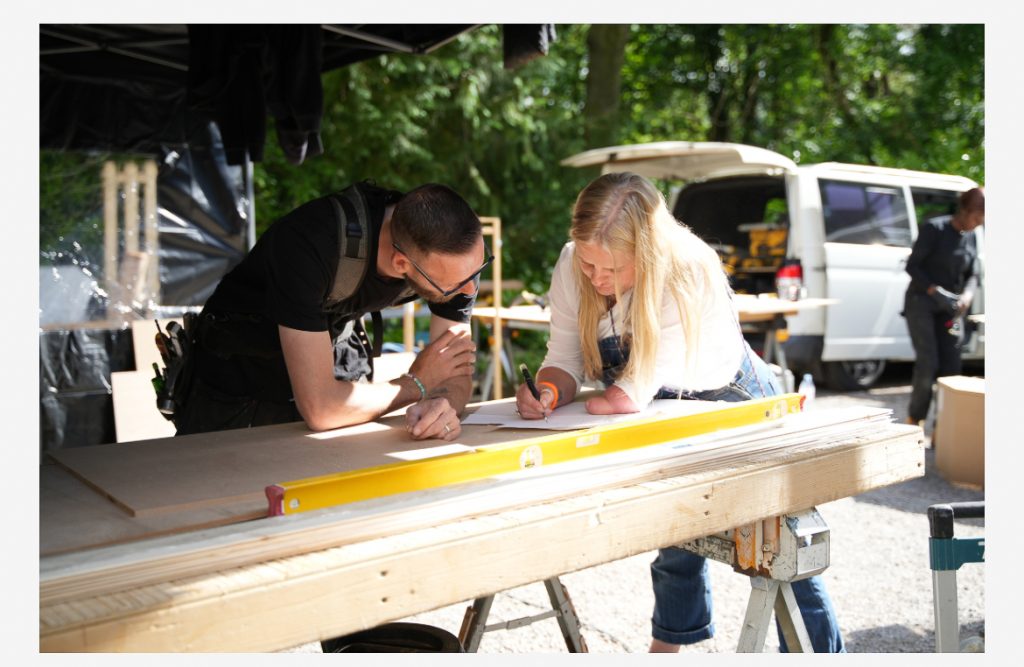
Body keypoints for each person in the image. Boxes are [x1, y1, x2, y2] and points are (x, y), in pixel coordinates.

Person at [515, 172, 844, 652]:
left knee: (786, 547)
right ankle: (669, 647)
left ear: (647, 253)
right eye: (589, 264)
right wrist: (546, 389)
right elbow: (564, 360)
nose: (597, 279)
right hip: (661, 406)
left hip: (735, 404)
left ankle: (820, 655)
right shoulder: (573, 265)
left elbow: (625, 397)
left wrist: (581, 400)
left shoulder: (689, 269)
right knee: (675, 536)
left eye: (613, 269)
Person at [173, 181, 488, 441]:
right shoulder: (310, 245)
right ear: (400, 264)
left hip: (327, 361)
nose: (469, 290)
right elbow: (322, 409)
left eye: (477, 271)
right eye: (456, 284)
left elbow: (455, 370)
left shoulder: (452, 259)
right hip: (236, 384)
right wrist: (416, 384)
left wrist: (441, 404)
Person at [903, 187, 984, 428]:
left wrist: (967, 296)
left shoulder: (971, 236)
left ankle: (944, 427)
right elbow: (912, 267)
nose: (978, 224)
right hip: (922, 304)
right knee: (928, 364)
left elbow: (973, 273)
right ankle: (914, 420)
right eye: (976, 218)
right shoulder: (934, 229)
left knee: (951, 367)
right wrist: (935, 291)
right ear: (964, 210)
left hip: (951, 309)